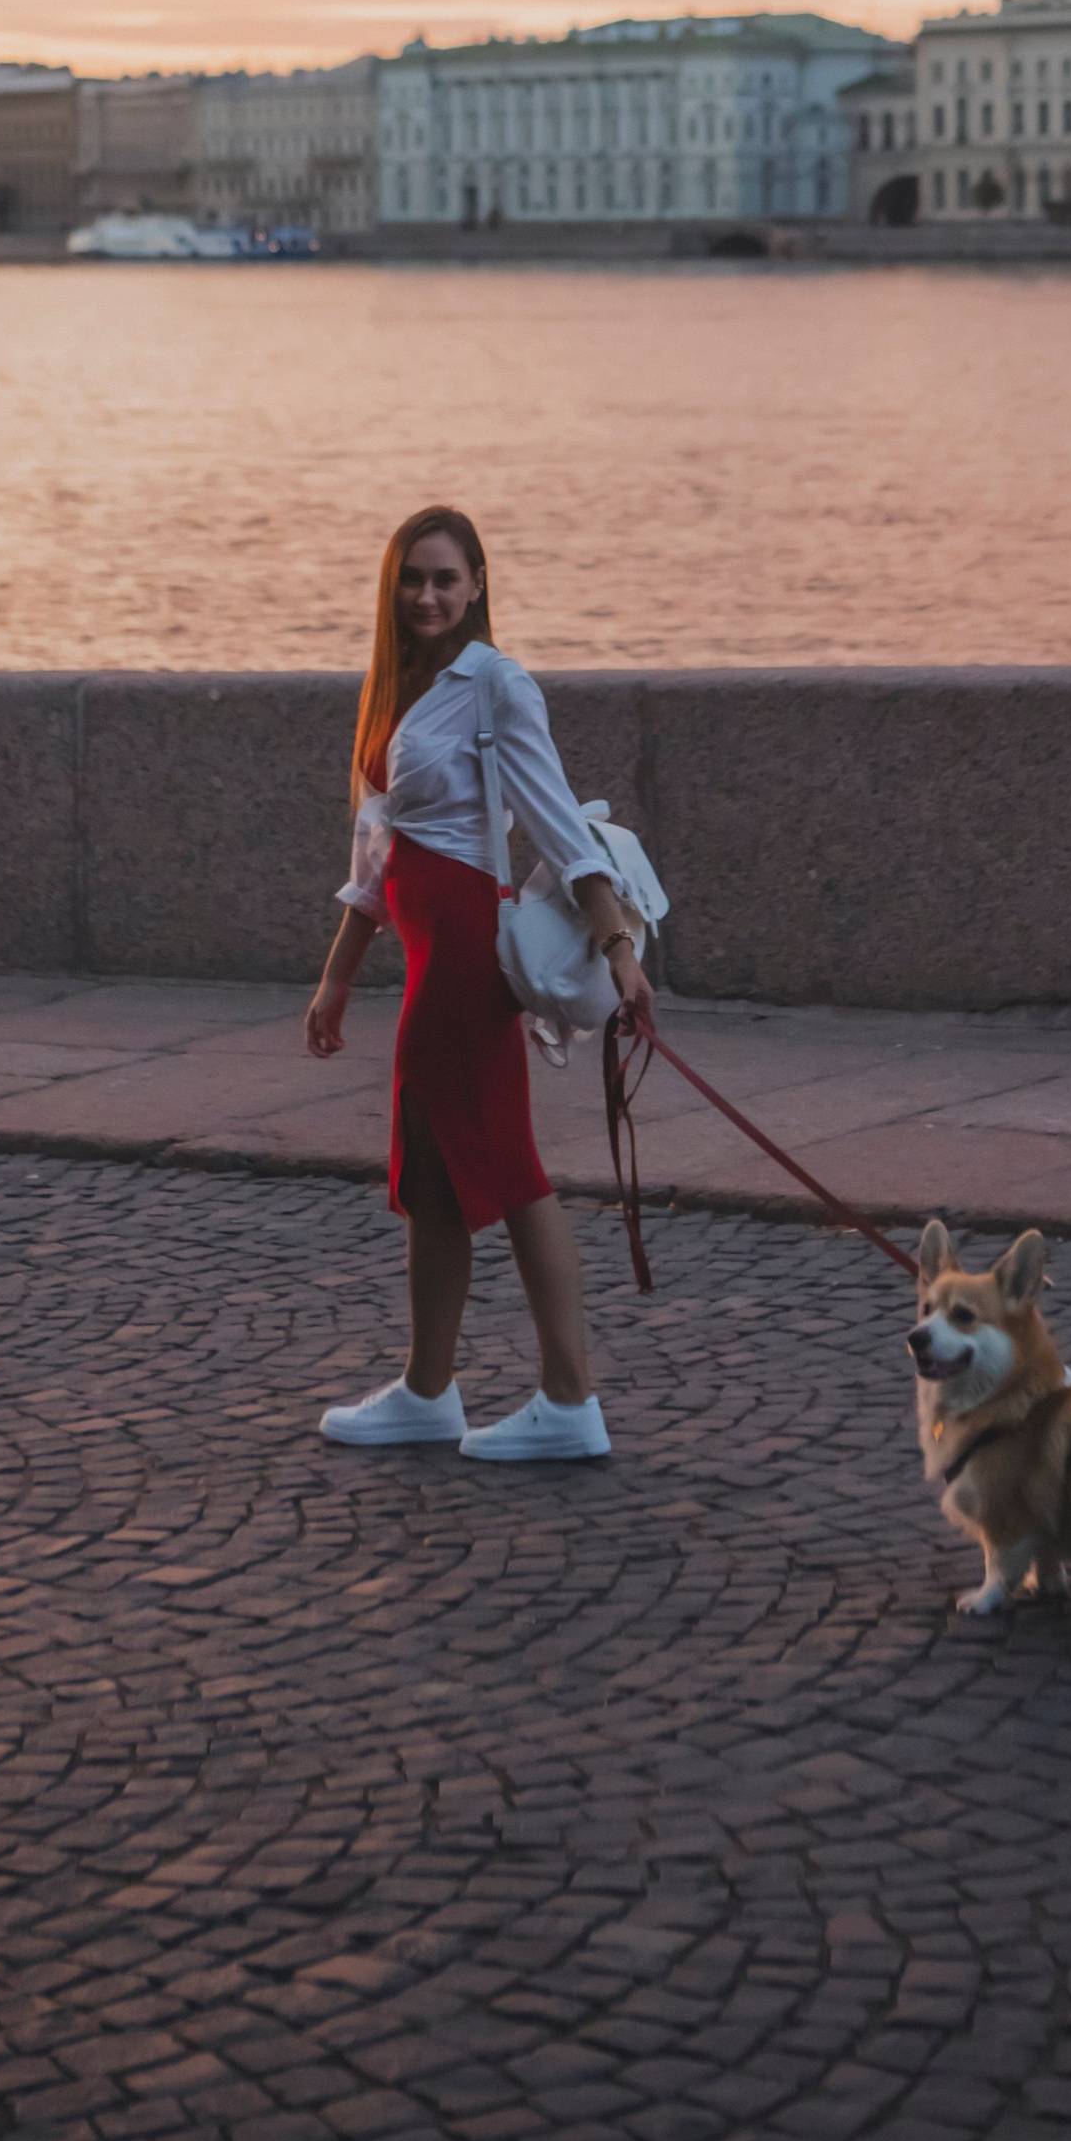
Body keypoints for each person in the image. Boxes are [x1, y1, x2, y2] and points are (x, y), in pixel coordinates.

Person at [304, 504, 654, 1461]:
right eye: (412, 579)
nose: (427, 595)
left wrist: (617, 947)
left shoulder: (495, 683)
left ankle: (570, 1400)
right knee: (433, 1179)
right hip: (426, 950)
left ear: (478, 585)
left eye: (444, 579)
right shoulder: (394, 690)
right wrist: (337, 977)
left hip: (465, 953)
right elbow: (375, 861)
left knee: (507, 1165)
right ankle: (428, 1392)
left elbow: (559, 824)